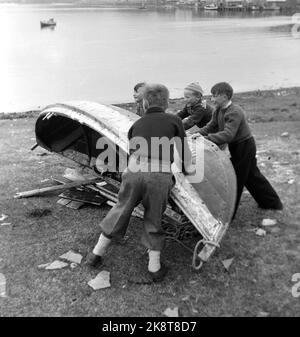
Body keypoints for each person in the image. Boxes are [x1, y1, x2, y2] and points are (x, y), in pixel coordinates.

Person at [86, 83, 192, 282]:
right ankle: (154, 268)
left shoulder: (137, 124)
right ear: (167, 102)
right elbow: (184, 154)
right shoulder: (174, 120)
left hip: (134, 171)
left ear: (144, 102)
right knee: (153, 218)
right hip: (158, 175)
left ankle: (95, 254)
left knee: (121, 209)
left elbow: (133, 149)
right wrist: (186, 172)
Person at [192, 82, 283, 219]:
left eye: (214, 96)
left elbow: (228, 134)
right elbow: (210, 126)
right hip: (236, 146)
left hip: (244, 145)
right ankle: (271, 203)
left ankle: (229, 214)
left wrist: (206, 139)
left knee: (236, 178)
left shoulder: (234, 111)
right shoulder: (218, 110)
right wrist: (198, 134)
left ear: (224, 96)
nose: (212, 99)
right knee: (252, 176)